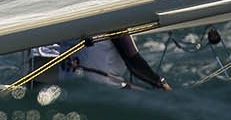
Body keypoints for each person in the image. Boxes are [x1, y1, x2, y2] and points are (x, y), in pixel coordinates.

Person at [30, 32, 170, 90]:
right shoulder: (110, 19)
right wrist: (160, 84)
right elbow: (133, 62)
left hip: (69, 94)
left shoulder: (66, 22)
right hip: (106, 94)